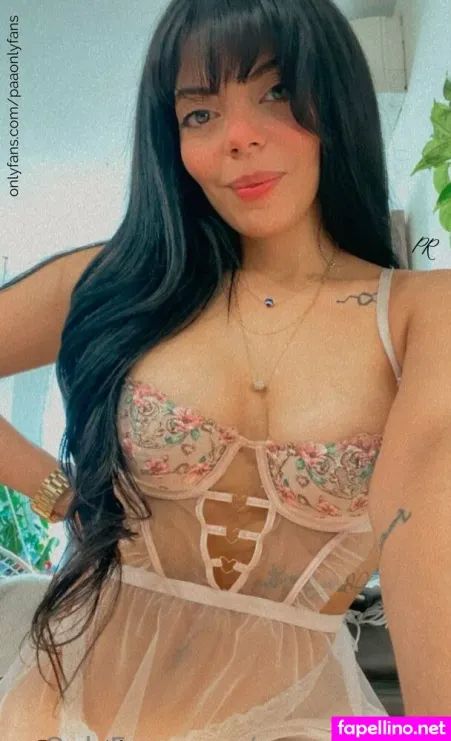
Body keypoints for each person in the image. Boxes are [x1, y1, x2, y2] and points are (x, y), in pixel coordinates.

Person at [1, 0, 450, 737]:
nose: (238, 136)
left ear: (335, 99)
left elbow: (426, 516)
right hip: (62, 708)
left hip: (306, 722)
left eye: (275, 91)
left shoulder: (421, 313)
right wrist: (60, 495)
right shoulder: (117, 283)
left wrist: (428, 729)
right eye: (200, 114)